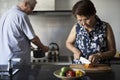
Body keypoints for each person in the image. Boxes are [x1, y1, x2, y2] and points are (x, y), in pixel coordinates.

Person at [66, 0, 116, 64]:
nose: (83, 23)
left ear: (94, 13)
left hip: (100, 68)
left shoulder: (105, 27)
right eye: (80, 20)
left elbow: (113, 51)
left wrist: (99, 55)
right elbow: (68, 43)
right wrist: (75, 51)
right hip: (80, 68)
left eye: (86, 19)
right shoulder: (77, 27)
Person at [0, 0, 49, 65]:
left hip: (3, 60)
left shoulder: (5, 14)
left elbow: (11, 37)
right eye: (31, 8)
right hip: (16, 61)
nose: (31, 12)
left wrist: (27, 44)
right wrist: (44, 48)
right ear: (25, 4)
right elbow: (33, 39)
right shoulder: (21, 15)